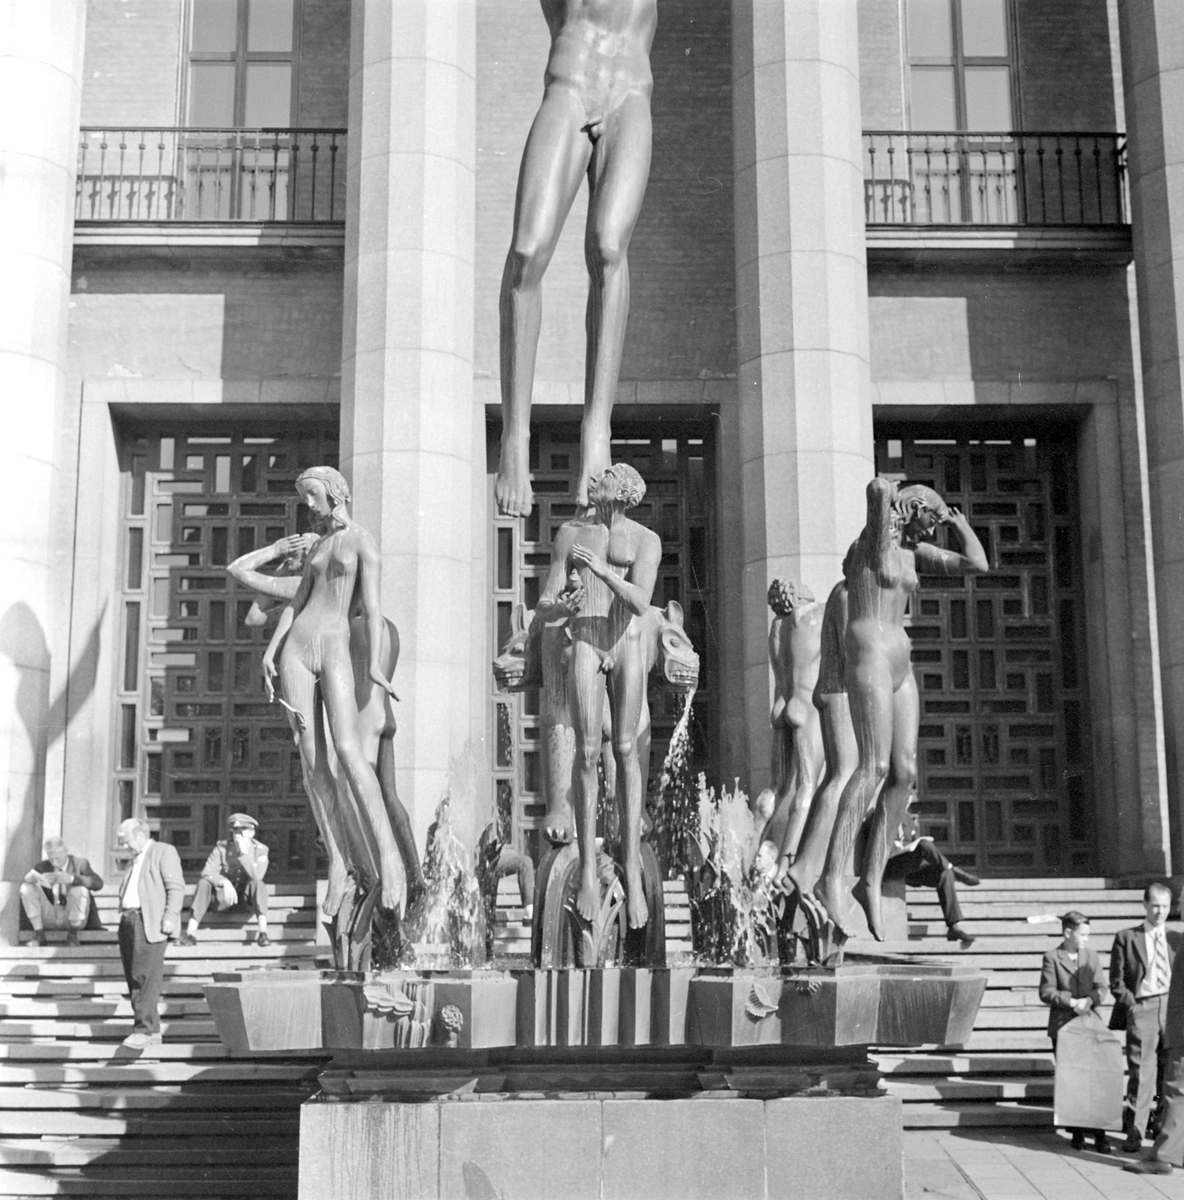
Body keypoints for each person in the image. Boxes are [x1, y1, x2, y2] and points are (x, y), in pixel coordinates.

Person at [495, 0, 658, 516]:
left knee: (609, 246)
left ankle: (597, 430)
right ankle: (515, 438)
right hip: (569, 85)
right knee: (526, 252)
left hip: (629, 92)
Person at [813, 479, 988, 940]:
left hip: (900, 665)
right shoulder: (873, 544)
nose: (934, 526)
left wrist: (959, 523)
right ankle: (831, 877)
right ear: (910, 509)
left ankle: (869, 881)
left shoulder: (917, 555)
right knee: (872, 765)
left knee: (904, 773)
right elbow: (874, 489)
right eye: (931, 516)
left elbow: (977, 564)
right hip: (869, 653)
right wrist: (892, 494)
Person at [263, 465, 408, 917]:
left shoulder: (362, 541)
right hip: (296, 653)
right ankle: (339, 864)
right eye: (304, 496)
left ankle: (389, 858)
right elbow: (297, 604)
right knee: (311, 762)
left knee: (348, 749)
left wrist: (380, 668)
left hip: (334, 647)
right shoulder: (320, 546)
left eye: (312, 495)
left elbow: (376, 609)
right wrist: (270, 651)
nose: (307, 504)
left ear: (334, 493)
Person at [536, 462, 660, 930]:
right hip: (586, 637)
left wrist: (603, 574)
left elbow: (642, 603)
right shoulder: (571, 536)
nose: (595, 479)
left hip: (626, 643)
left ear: (623, 491)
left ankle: (629, 863)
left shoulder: (646, 540)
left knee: (625, 748)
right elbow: (546, 602)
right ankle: (588, 868)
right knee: (587, 751)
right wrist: (558, 607)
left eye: (606, 476)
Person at [1110, 880, 1183, 1153]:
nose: (1160, 912)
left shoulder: (1177, 938)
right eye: (1155, 905)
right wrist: (1133, 1006)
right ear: (1144, 904)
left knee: (1170, 1072)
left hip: (1172, 1009)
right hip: (1143, 1007)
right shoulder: (1127, 937)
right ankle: (1135, 1130)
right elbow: (1116, 981)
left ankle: (1162, 1129)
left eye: (1165, 906)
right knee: (1141, 1072)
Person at [763, 579, 825, 873]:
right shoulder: (814, 616)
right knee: (806, 787)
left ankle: (747, 855)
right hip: (806, 706)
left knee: (775, 788)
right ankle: (785, 866)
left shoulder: (777, 627)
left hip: (782, 704)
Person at [1040, 910, 1112, 1153]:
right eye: (1083, 934)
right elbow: (1046, 991)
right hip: (1064, 1026)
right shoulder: (1052, 957)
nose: (1086, 939)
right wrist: (1073, 1002)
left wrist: (1090, 1000)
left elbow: (1102, 987)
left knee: (1096, 1079)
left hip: (1089, 1023)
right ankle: (1078, 1133)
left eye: (1089, 934)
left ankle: (1100, 1133)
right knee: (1073, 1081)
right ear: (1068, 932)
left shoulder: (1091, 956)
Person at [116, 817, 184, 1049]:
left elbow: (176, 888)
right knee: (134, 977)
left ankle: (142, 1030)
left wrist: (170, 917)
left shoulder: (163, 851)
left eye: (126, 841)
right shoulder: (136, 858)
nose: (124, 846)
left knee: (144, 977)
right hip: (128, 921)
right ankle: (152, 1029)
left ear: (141, 835)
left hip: (149, 922)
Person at [883, 808, 979, 947]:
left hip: (911, 870)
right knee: (925, 845)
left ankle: (953, 927)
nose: (907, 801)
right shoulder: (883, 815)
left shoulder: (906, 817)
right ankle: (955, 871)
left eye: (909, 798)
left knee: (944, 874)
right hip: (890, 867)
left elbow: (916, 844)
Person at [178, 813, 271, 947]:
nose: (238, 835)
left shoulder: (260, 850)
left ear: (251, 833)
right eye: (235, 832)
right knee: (204, 883)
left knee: (258, 884)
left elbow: (258, 875)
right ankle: (190, 934)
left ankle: (263, 933)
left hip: (246, 901)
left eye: (242, 831)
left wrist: (244, 853)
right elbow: (207, 871)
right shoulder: (222, 847)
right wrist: (224, 882)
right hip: (224, 899)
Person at [19, 836, 103, 946]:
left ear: (65, 851)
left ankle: (73, 936)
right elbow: (28, 883)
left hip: (73, 917)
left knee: (80, 890)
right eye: (51, 858)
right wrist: (31, 879)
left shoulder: (80, 863)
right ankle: (40, 935)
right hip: (50, 915)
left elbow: (98, 883)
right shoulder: (42, 866)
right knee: (26, 888)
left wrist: (72, 879)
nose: (54, 862)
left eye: (57, 858)